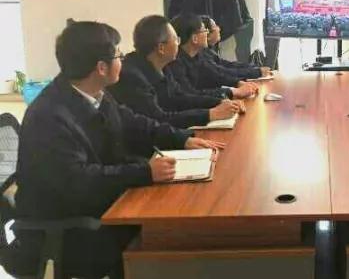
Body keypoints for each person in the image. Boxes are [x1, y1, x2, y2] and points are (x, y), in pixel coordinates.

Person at [14, 21, 224, 279]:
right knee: (171, 233)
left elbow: (134, 122)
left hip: (102, 203)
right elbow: (80, 181)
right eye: (118, 55)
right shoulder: (49, 117)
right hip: (68, 230)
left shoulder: (95, 94)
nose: (123, 60)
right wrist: (145, 172)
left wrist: (182, 139)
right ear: (101, 68)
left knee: (182, 212)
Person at [109, 15, 243, 129]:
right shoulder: (132, 77)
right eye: (176, 40)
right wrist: (210, 114)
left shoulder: (164, 65)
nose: (178, 44)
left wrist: (219, 102)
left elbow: (180, 97)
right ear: (161, 48)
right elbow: (159, 119)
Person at [167, 14, 258, 100]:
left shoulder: (197, 56)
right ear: (194, 39)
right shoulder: (175, 63)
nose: (207, 33)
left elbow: (216, 75)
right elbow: (190, 95)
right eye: (204, 30)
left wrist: (238, 83)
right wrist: (233, 92)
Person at [200, 16, 271, 78]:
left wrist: (253, 68)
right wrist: (256, 72)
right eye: (215, 26)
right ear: (207, 35)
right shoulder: (202, 56)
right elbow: (224, 72)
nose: (219, 29)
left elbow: (227, 65)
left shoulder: (208, 52)